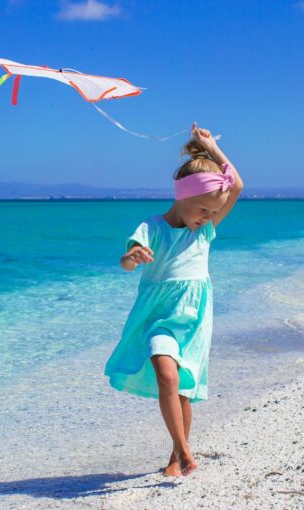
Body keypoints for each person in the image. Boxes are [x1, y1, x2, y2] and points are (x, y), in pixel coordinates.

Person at [104, 122, 244, 476]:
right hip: (158, 318)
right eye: (203, 211)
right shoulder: (152, 227)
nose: (208, 219)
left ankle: (174, 457)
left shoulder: (206, 230)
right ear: (182, 197)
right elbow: (126, 260)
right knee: (166, 375)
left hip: (195, 318)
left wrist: (211, 148)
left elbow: (237, 185)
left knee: (182, 390)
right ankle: (183, 451)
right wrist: (132, 257)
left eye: (213, 213)